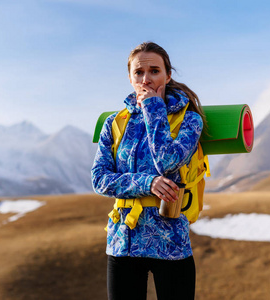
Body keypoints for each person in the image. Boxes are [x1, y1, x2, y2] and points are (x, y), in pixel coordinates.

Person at [91, 41, 205, 300]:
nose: (146, 79)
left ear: (168, 75)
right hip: (123, 244)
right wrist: (147, 183)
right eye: (139, 72)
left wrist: (153, 108)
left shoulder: (189, 119)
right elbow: (99, 179)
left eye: (154, 71)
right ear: (130, 78)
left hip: (171, 242)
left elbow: (168, 162)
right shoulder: (115, 123)